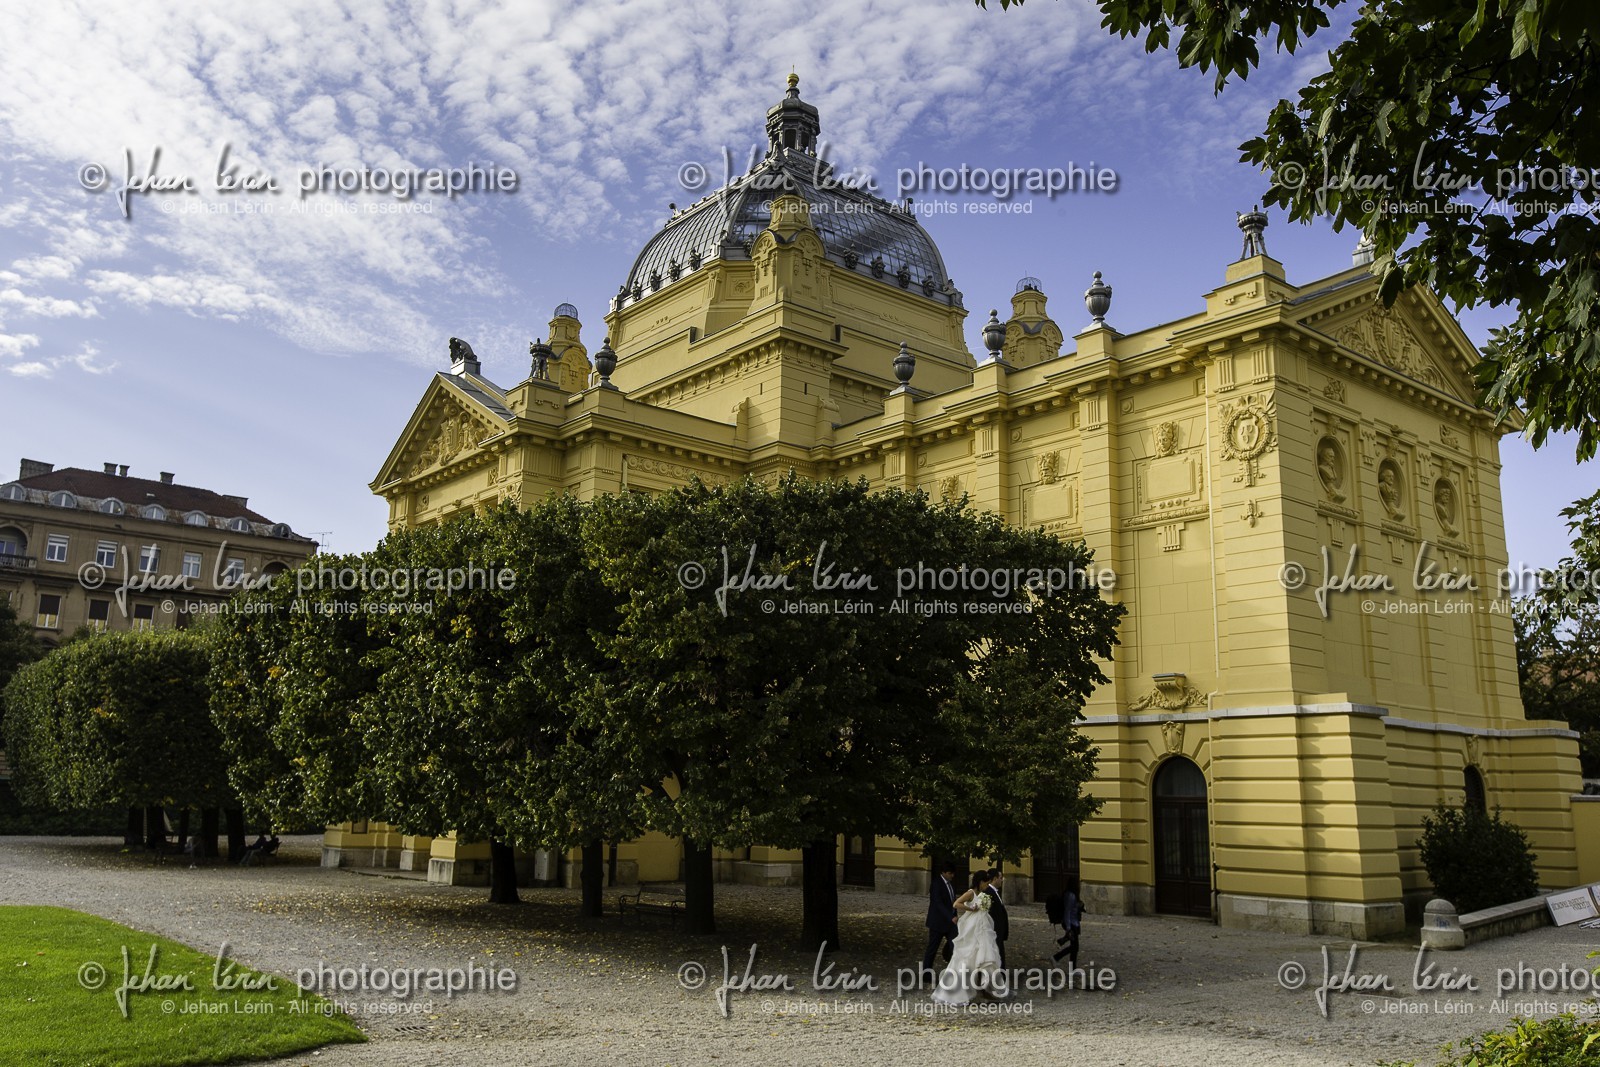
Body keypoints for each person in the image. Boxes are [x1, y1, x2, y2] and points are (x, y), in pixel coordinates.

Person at [931, 870, 1005, 1005]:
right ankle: (960, 990)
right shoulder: (971, 893)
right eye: (986, 883)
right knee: (968, 956)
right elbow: (956, 904)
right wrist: (971, 908)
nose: (987, 886)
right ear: (980, 882)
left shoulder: (983, 894)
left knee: (984, 955)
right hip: (972, 926)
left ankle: (984, 989)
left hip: (983, 926)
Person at [921, 862, 959, 986]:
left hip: (950, 924)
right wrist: (950, 916)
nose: (952, 876)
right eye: (950, 873)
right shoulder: (936, 884)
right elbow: (938, 903)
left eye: (952, 873)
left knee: (955, 946)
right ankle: (926, 974)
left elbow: (952, 901)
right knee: (932, 948)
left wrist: (954, 914)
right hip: (937, 922)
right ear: (943, 872)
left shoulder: (950, 884)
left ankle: (954, 972)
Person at [1052, 877, 1084, 969]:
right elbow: (1067, 911)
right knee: (1074, 947)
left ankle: (1072, 968)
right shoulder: (1070, 895)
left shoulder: (1072, 895)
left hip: (1074, 923)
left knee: (1074, 947)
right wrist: (1068, 927)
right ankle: (1056, 958)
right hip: (1072, 923)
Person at [984, 868, 1010, 970]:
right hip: (994, 930)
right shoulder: (988, 892)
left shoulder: (994, 892)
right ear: (995, 879)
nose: (1002, 880)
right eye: (1000, 877)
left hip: (998, 930)